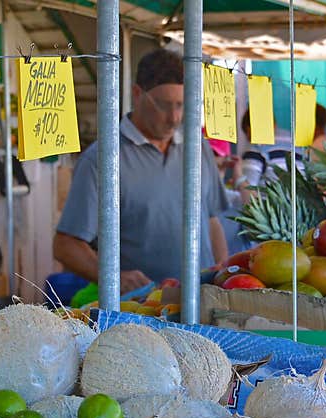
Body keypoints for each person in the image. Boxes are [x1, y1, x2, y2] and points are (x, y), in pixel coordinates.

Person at [53, 48, 230, 293]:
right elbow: (66, 245)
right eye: (165, 105)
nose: (174, 117)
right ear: (137, 95)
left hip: (203, 303)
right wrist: (114, 277)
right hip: (140, 313)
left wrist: (222, 273)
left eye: (181, 105)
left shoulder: (197, 146)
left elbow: (211, 219)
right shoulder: (103, 159)